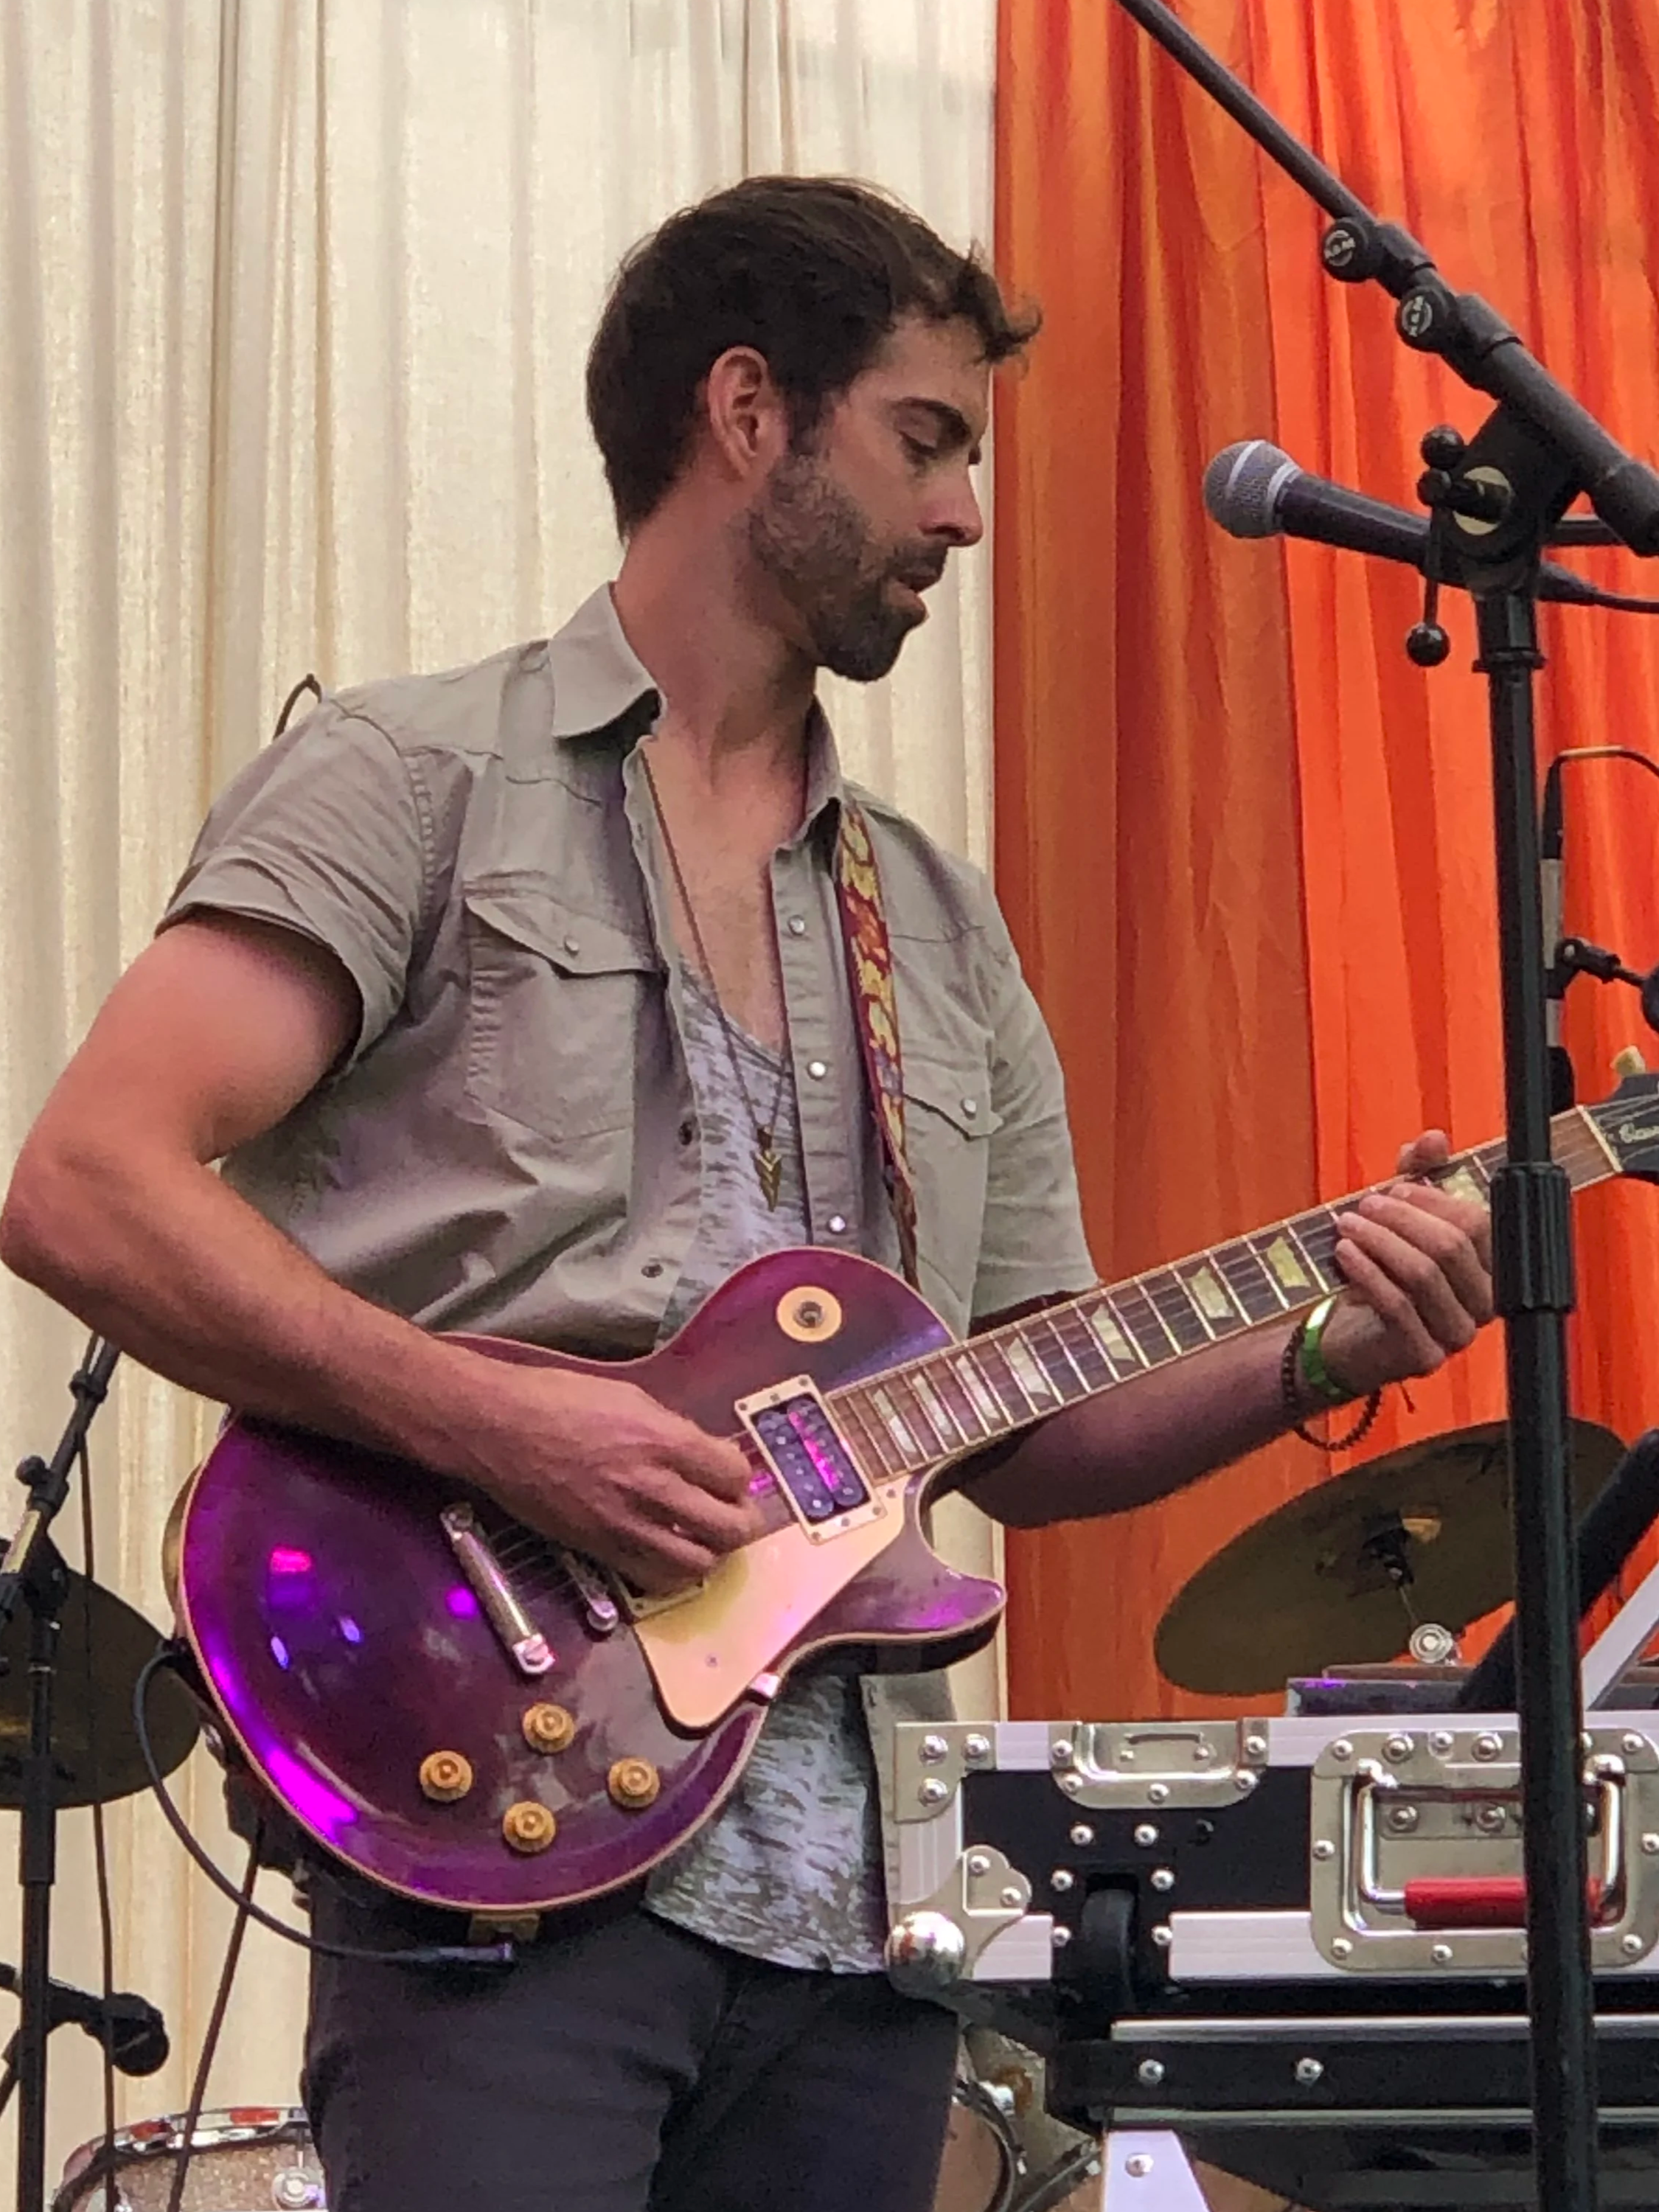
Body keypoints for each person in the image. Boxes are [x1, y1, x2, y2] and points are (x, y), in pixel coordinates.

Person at [0, 176, 1493, 2212]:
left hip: (859, 1909)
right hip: (499, 1863)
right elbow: (85, 1181)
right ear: (746, 411)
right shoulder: (412, 781)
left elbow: (1019, 1427)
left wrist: (1325, 1342)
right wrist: (503, 1420)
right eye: (928, 438)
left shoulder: (943, 927)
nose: (967, 515)